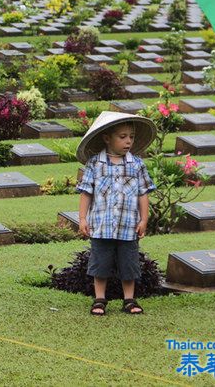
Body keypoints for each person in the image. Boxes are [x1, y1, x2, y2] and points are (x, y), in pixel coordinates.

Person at [75, 112, 157, 315]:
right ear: (107, 138)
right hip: (101, 225)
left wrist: (144, 219)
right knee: (100, 262)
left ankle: (129, 299)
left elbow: (143, 193)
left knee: (129, 263)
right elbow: (86, 192)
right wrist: (83, 219)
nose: (128, 141)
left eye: (131, 136)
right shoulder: (94, 164)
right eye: (122, 137)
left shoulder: (136, 164)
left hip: (128, 226)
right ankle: (99, 299)